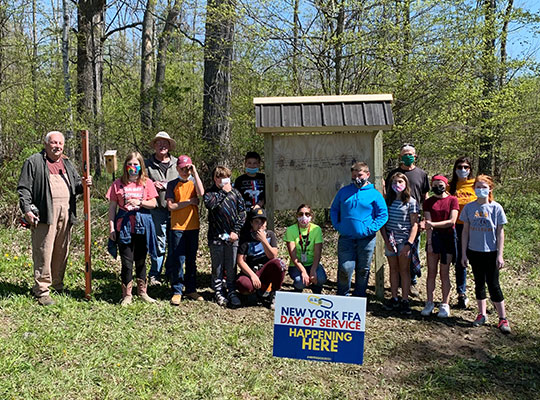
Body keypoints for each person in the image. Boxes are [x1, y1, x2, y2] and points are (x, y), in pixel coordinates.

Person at [17, 131, 92, 306]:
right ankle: (42, 290)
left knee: (61, 250)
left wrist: (85, 184)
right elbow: (24, 188)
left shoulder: (66, 163)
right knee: (44, 251)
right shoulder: (34, 162)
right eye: (54, 143)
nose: (57, 146)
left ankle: (57, 285)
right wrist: (27, 210)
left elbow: (76, 186)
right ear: (46, 144)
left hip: (66, 212)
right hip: (44, 214)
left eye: (60, 143)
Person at [460, 175, 510, 334]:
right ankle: (481, 314)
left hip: (491, 252)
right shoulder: (469, 208)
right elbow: (465, 232)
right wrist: (463, 254)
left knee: (494, 284)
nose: (480, 190)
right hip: (474, 252)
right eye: (478, 187)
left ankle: (502, 318)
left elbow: (500, 233)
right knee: (479, 283)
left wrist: (500, 255)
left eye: (484, 187)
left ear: (490, 189)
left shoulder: (496, 208)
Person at [107, 152, 158, 306]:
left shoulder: (147, 182)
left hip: (142, 226)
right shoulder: (117, 184)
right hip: (124, 227)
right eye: (130, 163)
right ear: (125, 166)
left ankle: (143, 292)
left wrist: (140, 202)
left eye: (136, 164)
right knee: (127, 262)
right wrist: (111, 229)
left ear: (141, 166)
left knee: (141, 261)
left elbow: (154, 203)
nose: (133, 167)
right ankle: (127, 295)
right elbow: (112, 208)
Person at [331, 162, 388, 297]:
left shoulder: (374, 194)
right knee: (345, 268)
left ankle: (359, 298)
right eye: (354, 174)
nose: (357, 177)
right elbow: (334, 209)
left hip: (366, 240)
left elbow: (383, 214)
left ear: (367, 175)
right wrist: (338, 225)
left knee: (363, 270)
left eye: (360, 174)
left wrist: (370, 229)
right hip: (346, 238)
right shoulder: (344, 192)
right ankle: (342, 296)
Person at [384, 144, 430, 296]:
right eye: (404, 154)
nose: (407, 156)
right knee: (396, 263)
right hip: (393, 225)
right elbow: (386, 194)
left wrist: (424, 219)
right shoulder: (394, 174)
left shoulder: (421, 174)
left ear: (415, 156)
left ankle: (412, 284)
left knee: (411, 253)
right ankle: (396, 291)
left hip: (412, 222)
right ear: (400, 156)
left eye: (410, 154)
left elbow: (425, 198)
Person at [204, 166, 246, 308]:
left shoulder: (236, 193)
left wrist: (236, 231)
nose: (224, 180)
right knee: (218, 266)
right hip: (216, 237)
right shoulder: (210, 193)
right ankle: (218, 291)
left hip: (232, 237)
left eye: (226, 177)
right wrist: (223, 192)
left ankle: (232, 291)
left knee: (231, 265)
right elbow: (210, 205)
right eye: (220, 177)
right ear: (215, 179)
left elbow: (242, 213)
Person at [165, 155, 204, 305]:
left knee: (191, 260)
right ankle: (177, 290)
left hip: (193, 226)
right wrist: (188, 202)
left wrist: (195, 173)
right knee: (178, 259)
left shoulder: (194, 182)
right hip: (177, 227)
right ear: (177, 168)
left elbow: (201, 193)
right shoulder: (172, 184)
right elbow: (171, 206)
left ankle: (191, 289)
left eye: (188, 168)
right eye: (182, 169)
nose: (185, 172)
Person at [380, 173, 419, 315]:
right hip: (390, 240)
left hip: (404, 241)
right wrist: (386, 241)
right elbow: (382, 223)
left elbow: (415, 225)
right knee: (393, 269)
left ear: (406, 183)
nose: (398, 184)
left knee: (404, 270)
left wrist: (409, 243)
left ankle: (405, 300)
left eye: (400, 181)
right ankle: (394, 297)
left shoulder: (411, 202)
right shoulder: (387, 201)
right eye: (395, 182)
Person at [421, 175, 459, 318]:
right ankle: (429, 302)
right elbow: (428, 224)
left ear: (446, 185)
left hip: (448, 239)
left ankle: (445, 304)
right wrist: (429, 242)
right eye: (435, 184)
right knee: (431, 272)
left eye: (440, 184)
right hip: (434, 239)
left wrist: (434, 225)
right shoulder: (428, 202)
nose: (438, 186)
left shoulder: (452, 200)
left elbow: (452, 221)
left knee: (444, 273)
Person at [145, 131, 178, 286]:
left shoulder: (177, 164)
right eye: (159, 143)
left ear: (169, 146)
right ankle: (155, 274)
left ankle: (171, 273)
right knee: (158, 243)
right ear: (155, 146)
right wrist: (152, 184)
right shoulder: (147, 164)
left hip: (176, 210)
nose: (162, 146)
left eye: (165, 143)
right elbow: (139, 181)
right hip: (156, 209)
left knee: (174, 243)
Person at [236, 208, 285, 309]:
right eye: (257, 222)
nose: (260, 225)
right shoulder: (246, 237)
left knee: (280, 264)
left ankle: (274, 293)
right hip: (251, 272)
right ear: (251, 223)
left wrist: (264, 240)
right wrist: (252, 275)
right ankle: (253, 292)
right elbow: (240, 261)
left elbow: (273, 256)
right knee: (242, 284)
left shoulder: (270, 235)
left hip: (265, 271)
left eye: (263, 222)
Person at [448, 156, 476, 309]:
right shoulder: (450, 187)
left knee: (479, 260)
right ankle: (461, 293)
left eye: (466, 167)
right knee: (460, 260)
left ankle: (484, 296)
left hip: (476, 227)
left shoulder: (476, 185)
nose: (463, 170)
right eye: (459, 167)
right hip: (457, 228)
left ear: (470, 169)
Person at [284, 204, 327, 294]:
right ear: (297, 216)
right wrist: (303, 271)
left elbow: (318, 252)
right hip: (296, 265)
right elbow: (293, 256)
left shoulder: (316, 229)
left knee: (321, 278)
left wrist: (313, 270)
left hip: (312, 263)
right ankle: (298, 289)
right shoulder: (290, 230)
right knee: (300, 282)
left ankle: (316, 287)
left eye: (307, 214)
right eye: (301, 214)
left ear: (311, 216)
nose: (304, 217)